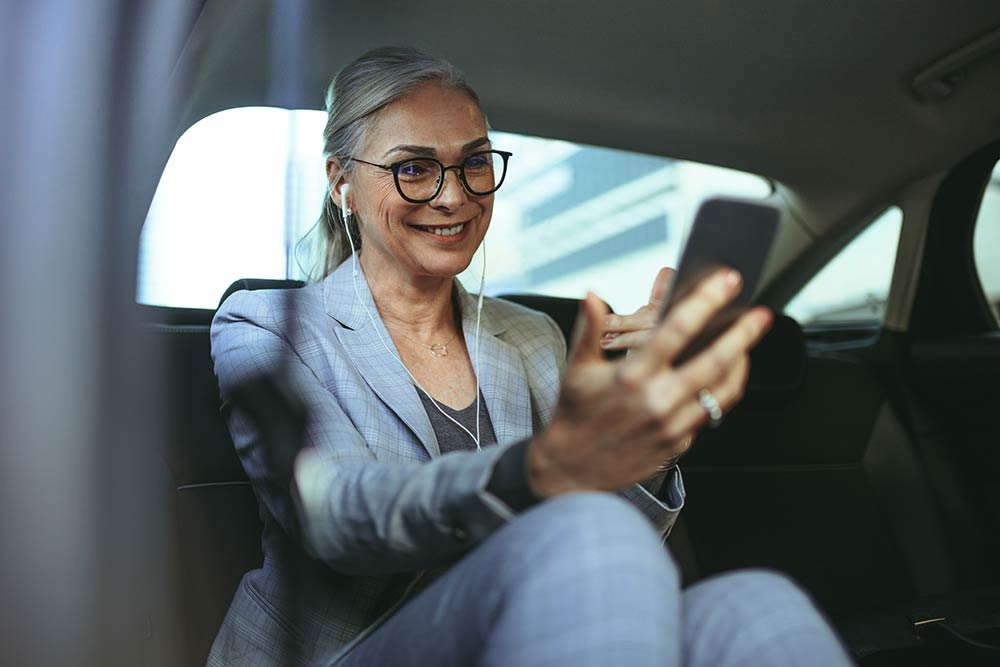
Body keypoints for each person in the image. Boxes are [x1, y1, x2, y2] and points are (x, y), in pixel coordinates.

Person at [208, 46, 854, 667]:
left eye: (476, 162)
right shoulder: (268, 326)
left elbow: (615, 557)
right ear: (342, 183)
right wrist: (541, 467)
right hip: (356, 650)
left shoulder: (535, 336)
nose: (454, 195)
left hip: (542, 632)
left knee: (758, 606)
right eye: (413, 167)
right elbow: (336, 513)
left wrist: (646, 443)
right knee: (581, 533)